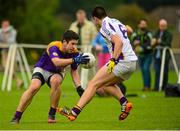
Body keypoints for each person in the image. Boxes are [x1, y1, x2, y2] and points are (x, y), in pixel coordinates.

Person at [57, 6, 138, 121]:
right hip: (132, 62)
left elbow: (118, 42)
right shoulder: (115, 21)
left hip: (121, 61)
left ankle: (74, 112)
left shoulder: (104, 27)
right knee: (105, 85)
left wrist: (113, 60)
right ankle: (125, 103)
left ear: (95, 19)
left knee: (92, 84)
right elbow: (129, 30)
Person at [10, 30, 89, 124]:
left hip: (57, 72)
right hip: (42, 69)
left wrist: (78, 87)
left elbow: (74, 71)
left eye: (76, 44)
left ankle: (51, 115)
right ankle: (17, 116)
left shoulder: (75, 53)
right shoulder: (54, 46)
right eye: (72, 44)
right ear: (64, 42)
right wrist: (73, 59)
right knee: (34, 87)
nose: (74, 47)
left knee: (56, 81)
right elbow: (56, 62)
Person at [69, 9, 97, 89]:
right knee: (76, 69)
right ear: (77, 17)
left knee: (91, 70)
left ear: (84, 16)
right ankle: (79, 87)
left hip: (88, 51)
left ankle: (93, 87)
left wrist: (92, 47)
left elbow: (94, 38)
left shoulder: (90, 25)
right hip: (75, 51)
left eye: (82, 17)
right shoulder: (73, 25)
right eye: (79, 17)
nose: (80, 18)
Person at [131, 19, 153, 91]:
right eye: (142, 24)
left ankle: (147, 86)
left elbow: (150, 44)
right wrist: (134, 44)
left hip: (148, 54)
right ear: (139, 25)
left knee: (146, 69)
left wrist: (140, 44)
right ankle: (145, 86)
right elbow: (131, 42)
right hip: (140, 55)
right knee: (143, 70)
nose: (143, 25)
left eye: (144, 24)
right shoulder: (135, 33)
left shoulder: (149, 33)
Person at [0, 20, 23, 88]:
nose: (5, 26)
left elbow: (11, 41)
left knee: (11, 66)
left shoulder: (13, 31)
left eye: (7, 25)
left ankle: (18, 81)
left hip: (13, 50)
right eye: (4, 25)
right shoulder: (0, 32)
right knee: (5, 66)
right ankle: (18, 80)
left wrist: (6, 35)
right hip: (4, 50)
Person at [152, 19, 172, 91]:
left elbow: (168, 44)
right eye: (161, 26)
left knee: (165, 72)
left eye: (164, 26)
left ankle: (164, 87)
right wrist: (154, 42)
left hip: (165, 56)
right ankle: (156, 87)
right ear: (159, 25)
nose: (162, 27)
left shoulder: (169, 33)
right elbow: (153, 41)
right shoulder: (156, 32)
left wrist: (159, 41)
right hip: (157, 55)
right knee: (157, 71)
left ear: (166, 26)